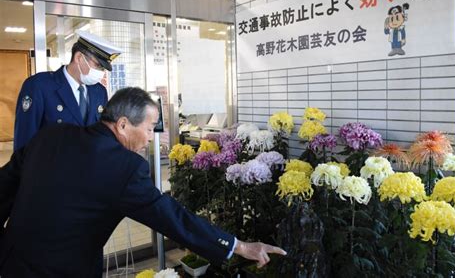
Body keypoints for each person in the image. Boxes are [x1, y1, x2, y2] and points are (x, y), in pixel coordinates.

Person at [0, 87, 286, 277]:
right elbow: (173, 217)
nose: (151, 138)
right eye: (149, 128)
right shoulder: (125, 168)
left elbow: (4, 187)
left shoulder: (51, 137)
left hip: (10, 262)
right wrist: (239, 246)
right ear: (123, 124)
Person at [13, 30, 123, 151]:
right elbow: (24, 139)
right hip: (50, 168)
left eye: (103, 68)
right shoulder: (39, 86)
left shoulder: (99, 92)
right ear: (79, 58)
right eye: (98, 65)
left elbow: (101, 134)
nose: (101, 72)